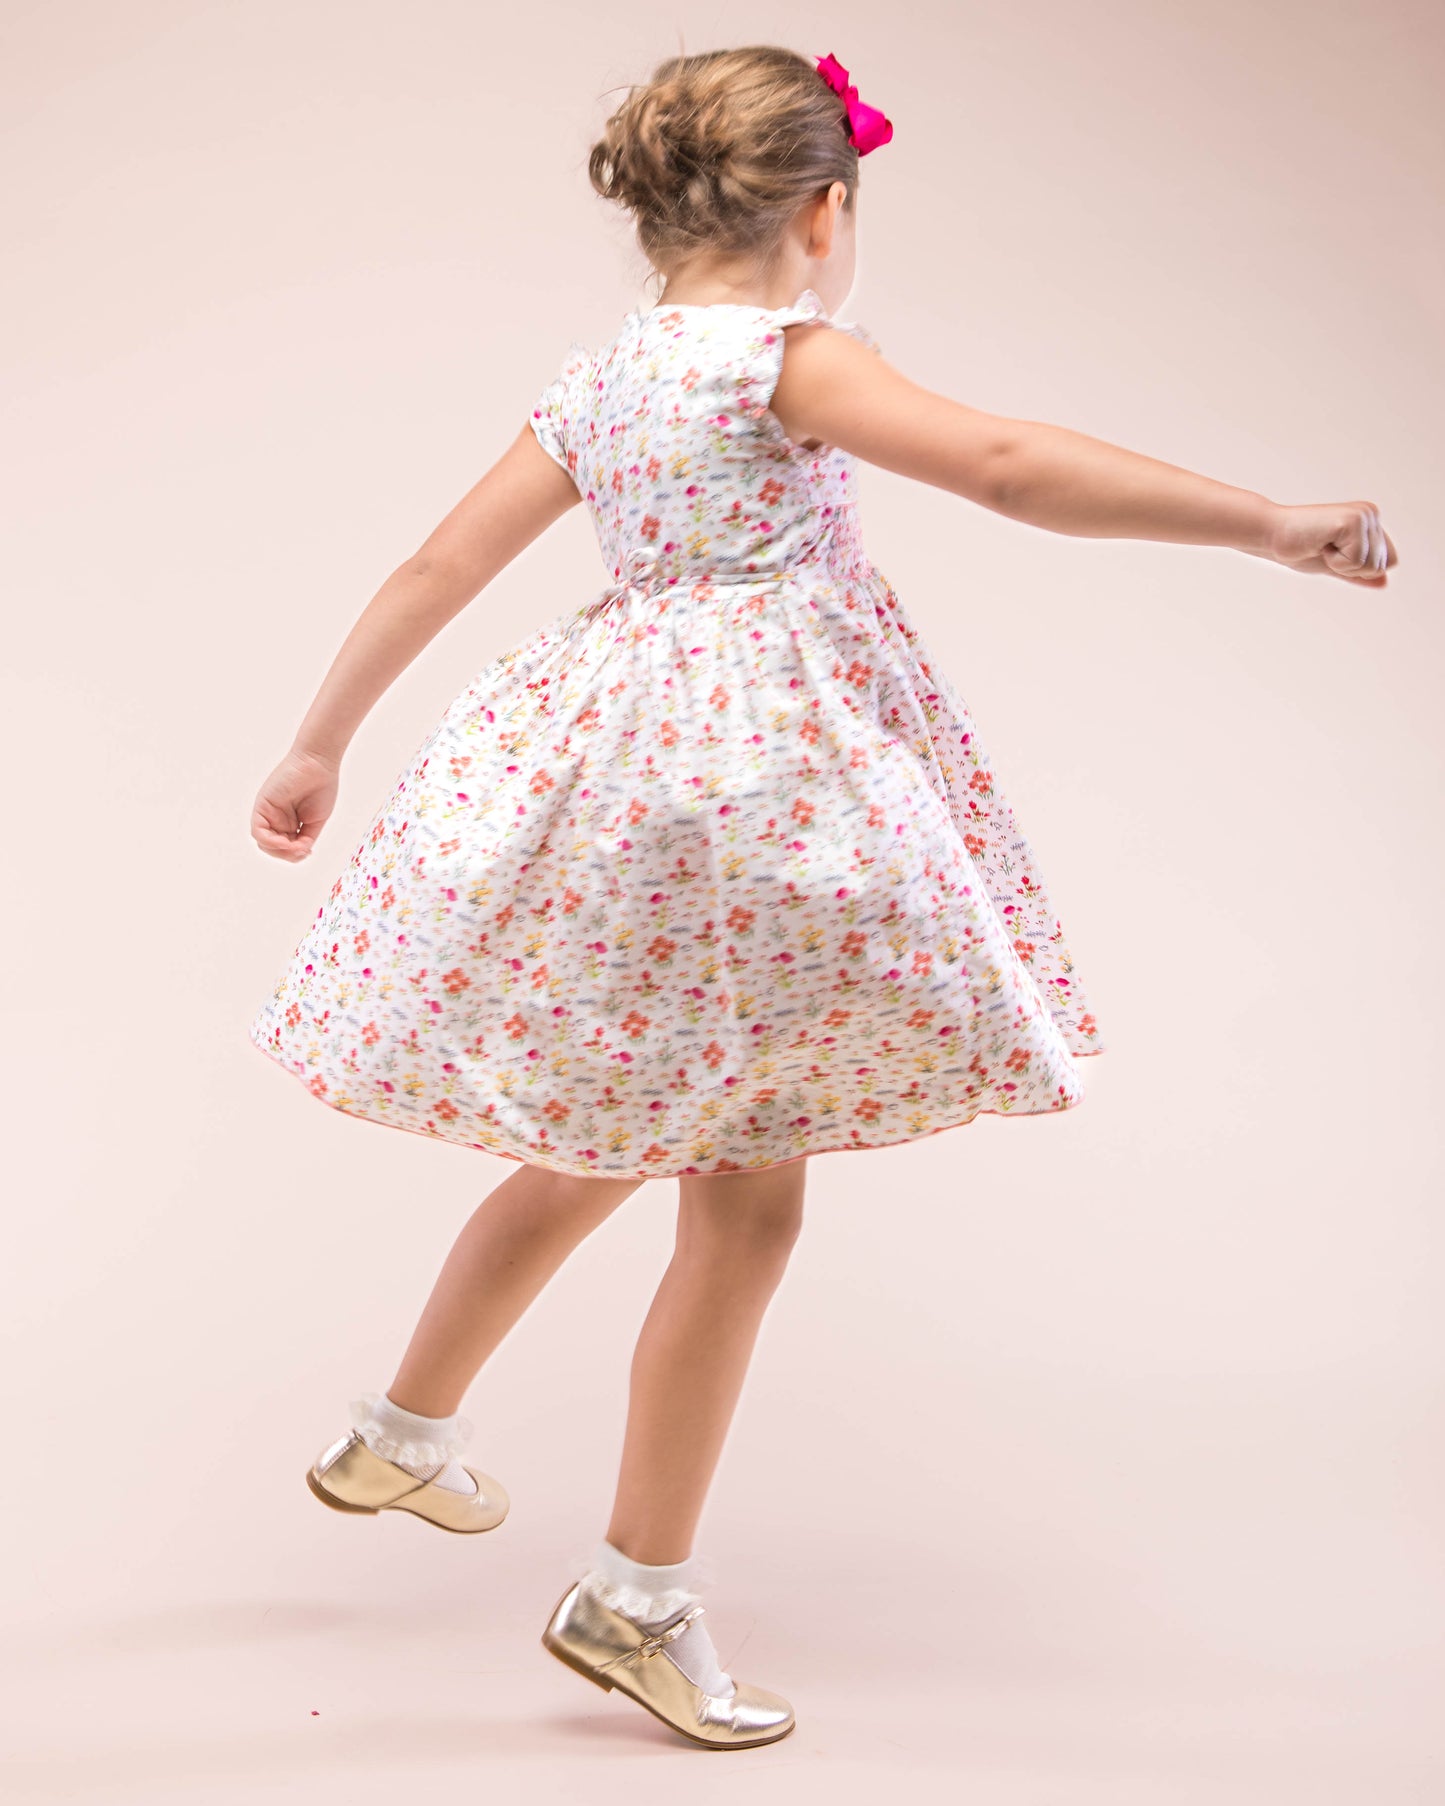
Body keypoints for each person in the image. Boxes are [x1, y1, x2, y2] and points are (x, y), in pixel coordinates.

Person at [246, 44, 1396, 1752]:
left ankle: (403, 1428)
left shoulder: (608, 376)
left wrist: (314, 747)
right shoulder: (790, 358)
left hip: (615, 785)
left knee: (599, 1135)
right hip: (754, 818)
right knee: (744, 1203)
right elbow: (1004, 463)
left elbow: (437, 564)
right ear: (822, 211)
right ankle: (634, 1591)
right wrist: (1260, 523)